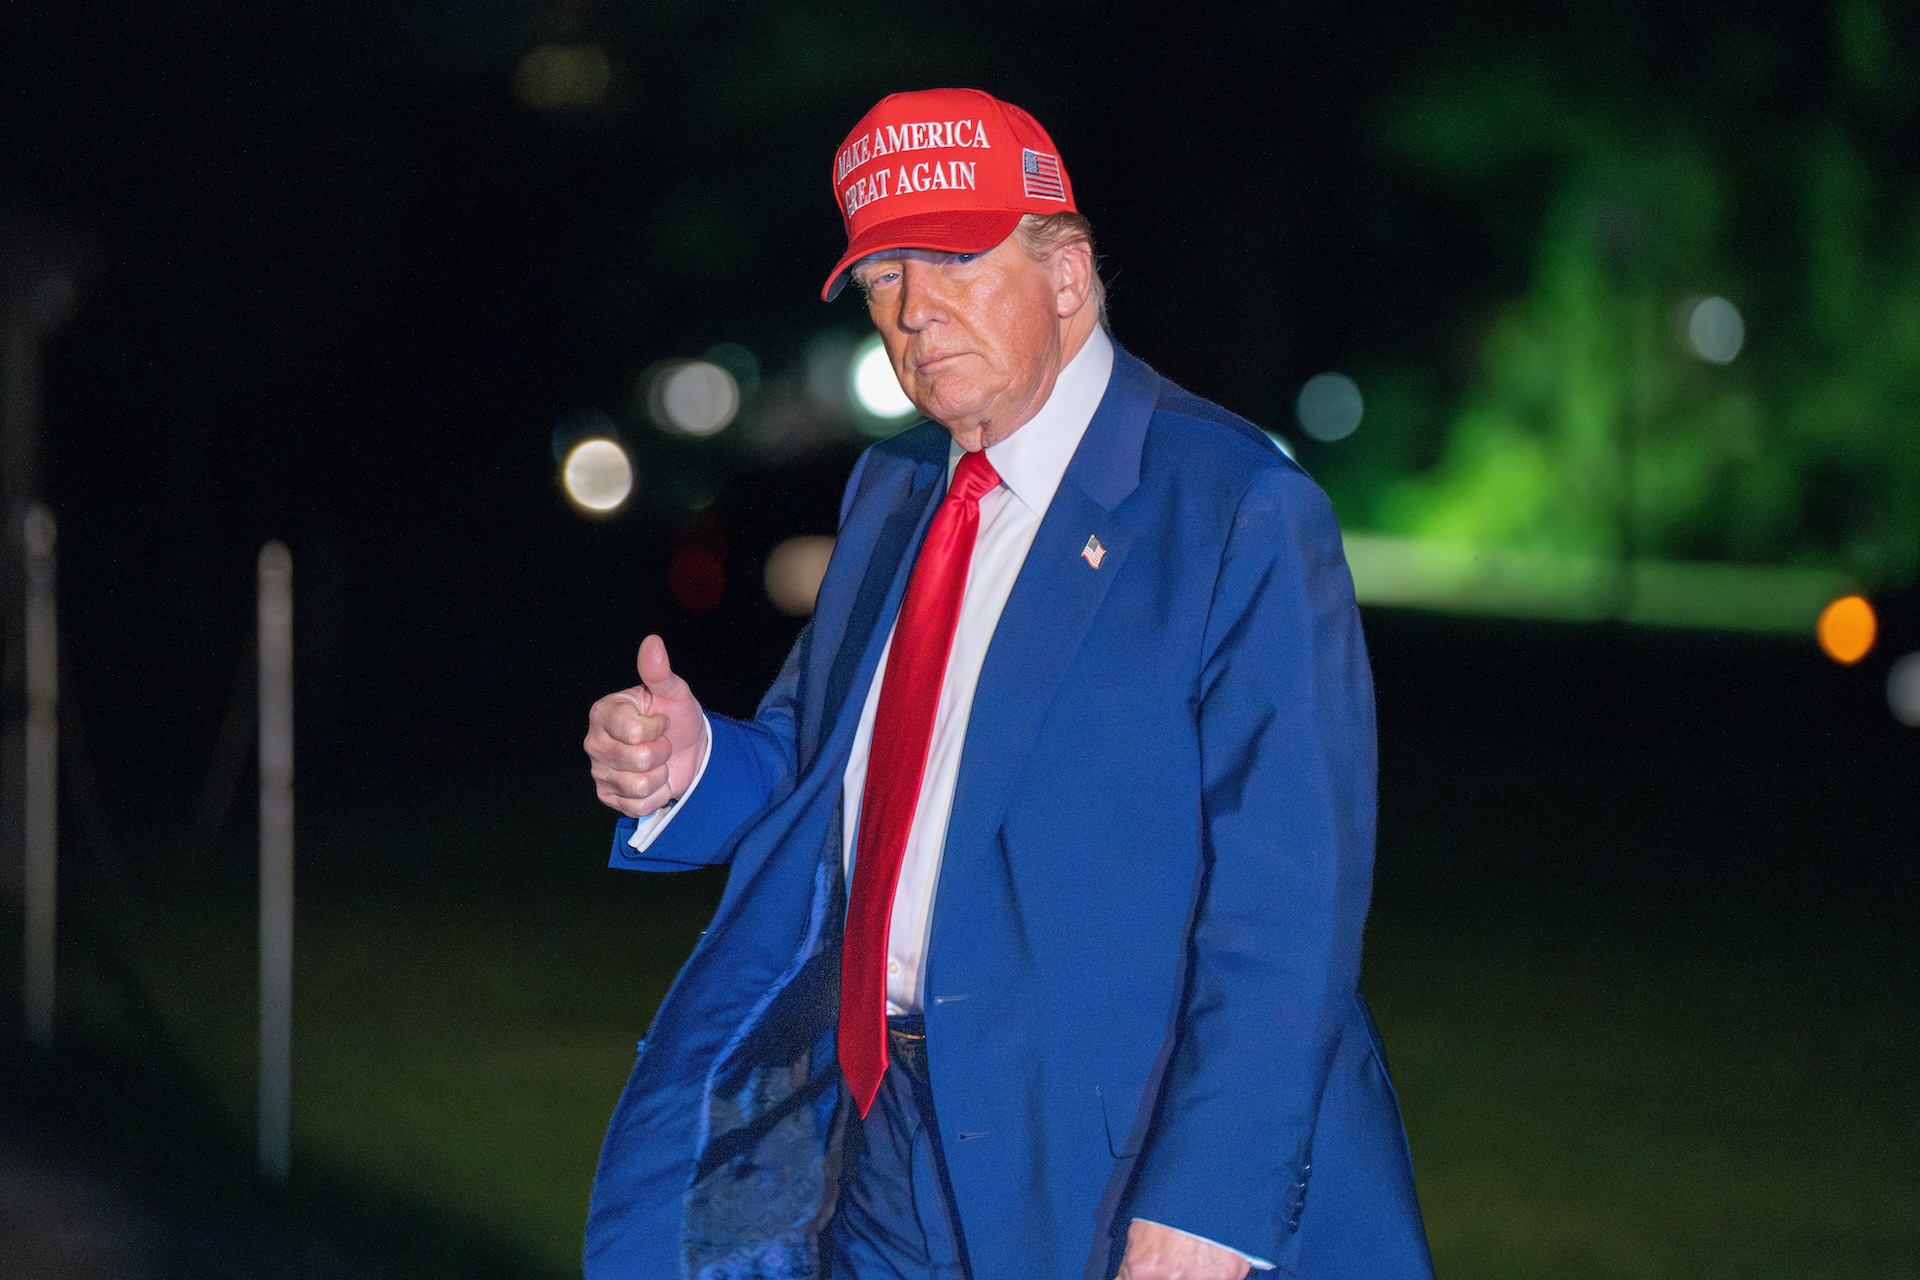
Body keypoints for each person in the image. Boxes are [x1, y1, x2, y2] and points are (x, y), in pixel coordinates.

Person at [580, 88, 1433, 1280]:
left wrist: (1211, 1200)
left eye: (953, 261)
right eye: (883, 277)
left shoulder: (1235, 506)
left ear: (1068, 275)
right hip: (876, 1137)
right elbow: (823, 762)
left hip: (1110, 1156)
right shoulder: (893, 487)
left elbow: (1290, 896)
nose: (913, 310)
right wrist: (691, 764)